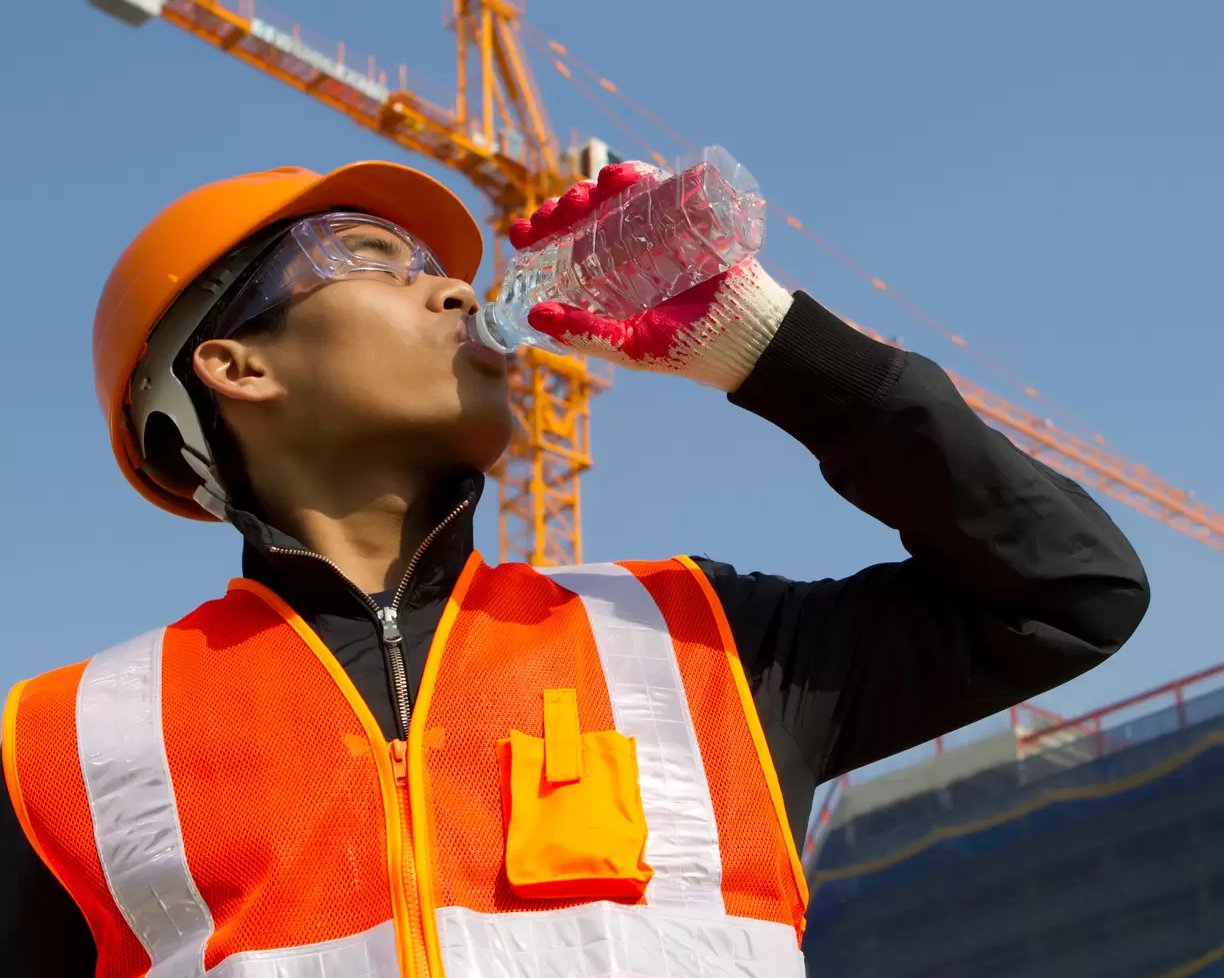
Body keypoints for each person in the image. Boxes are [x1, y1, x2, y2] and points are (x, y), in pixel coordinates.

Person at [0, 159, 1150, 977]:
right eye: (373, 260)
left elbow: (1064, 590)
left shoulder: (701, 641)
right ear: (234, 366)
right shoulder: (64, 745)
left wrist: (773, 350)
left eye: (441, 268)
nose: (455, 288)